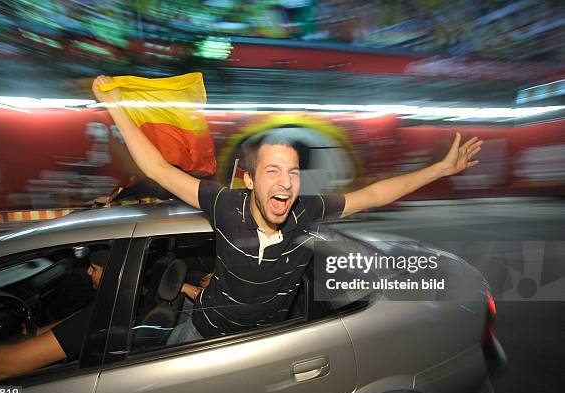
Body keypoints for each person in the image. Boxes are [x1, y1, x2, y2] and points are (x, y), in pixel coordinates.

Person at [92, 75, 482, 343]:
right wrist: (115, 106)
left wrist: (441, 169)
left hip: (265, 346)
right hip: (202, 335)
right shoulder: (225, 204)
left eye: (293, 171)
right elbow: (158, 168)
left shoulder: (305, 212)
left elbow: (374, 195)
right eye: (273, 170)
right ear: (249, 179)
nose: (285, 182)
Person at [0, 250, 109, 382]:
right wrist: (29, 335)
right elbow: (66, 326)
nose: (88, 271)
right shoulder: (112, 305)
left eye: (94, 268)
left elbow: (1, 367)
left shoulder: (103, 316)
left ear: (113, 273)